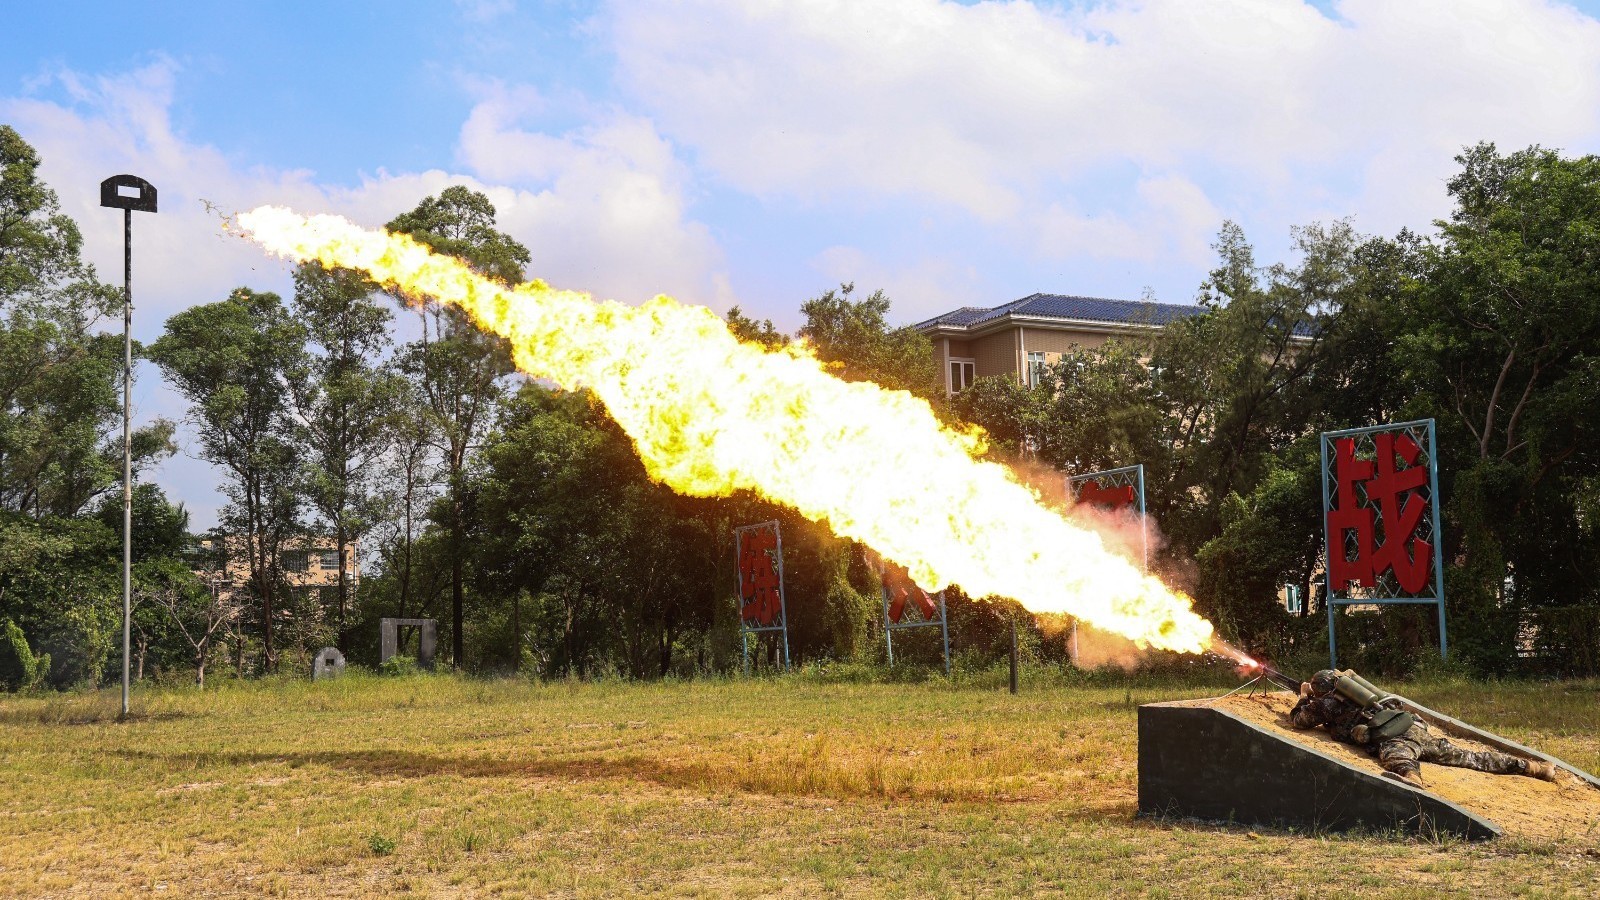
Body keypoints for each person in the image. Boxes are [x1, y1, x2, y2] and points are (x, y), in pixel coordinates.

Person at [1288, 669, 1561, 788]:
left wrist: (1303, 696)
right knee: (1470, 757)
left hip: (1392, 737)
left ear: (1320, 690)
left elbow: (1298, 722)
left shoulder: (1324, 705)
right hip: (1411, 725)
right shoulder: (1357, 693)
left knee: (1398, 759)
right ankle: (1533, 767)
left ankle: (1413, 780)